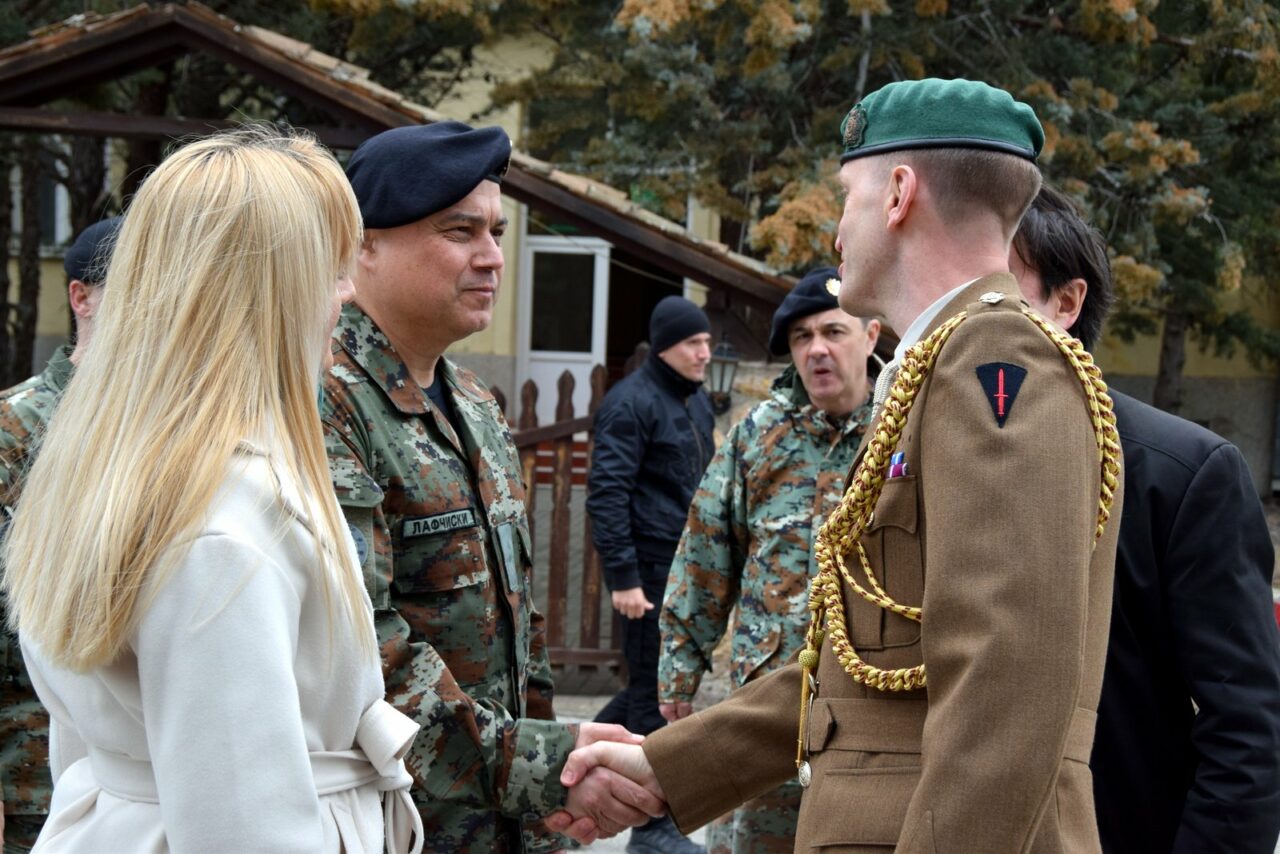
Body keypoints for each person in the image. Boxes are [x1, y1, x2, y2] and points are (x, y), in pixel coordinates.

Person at [551, 77, 1124, 852]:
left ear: (898, 194)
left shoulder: (995, 355)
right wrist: (665, 766)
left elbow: (1008, 683)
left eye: (845, 198)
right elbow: (866, 675)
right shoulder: (937, 367)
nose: (834, 234)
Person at [1, 126, 427, 851]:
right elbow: (246, 830)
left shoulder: (111, 469)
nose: (348, 294)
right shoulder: (222, 526)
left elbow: (86, 756)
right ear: (263, 296)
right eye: (327, 271)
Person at [323, 121, 661, 853]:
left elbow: (517, 623)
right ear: (363, 244)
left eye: (497, 232)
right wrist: (536, 765)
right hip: (391, 821)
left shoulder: (472, 402)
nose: (492, 259)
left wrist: (549, 783)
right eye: (460, 231)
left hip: (499, 822)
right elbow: (357, 644)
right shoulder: (325, 403)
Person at [1009, 184, 1280, 854]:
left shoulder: (1183, 473)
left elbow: (1246, 729)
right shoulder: (922, 457)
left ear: (1065, 302)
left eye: (990, 290)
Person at [657, 267, 878, 853]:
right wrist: (681, 664)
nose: (817, 350)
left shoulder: (902, 435)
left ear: (873, 336)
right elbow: (705, 553)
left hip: (873, 706)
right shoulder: (757, 437)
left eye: (834, 331)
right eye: (803, 338)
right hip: (766, 702)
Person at [0, 216, 119, 851]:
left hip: (130, 788)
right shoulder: (14, 434)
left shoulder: (174, 435)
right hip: (26, 797)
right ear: (82, 297)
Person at [585, 295, 715, 854]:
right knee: (655, 694)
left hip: (683, 570)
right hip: (649, 571)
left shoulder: (695, 401)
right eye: (694, 343)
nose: (705, 353)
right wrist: (625, 579)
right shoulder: (630, 403)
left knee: (648, 686)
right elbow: (606, 493)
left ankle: (570, 760)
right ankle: (654, 830)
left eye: (709, 342)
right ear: (666, 347)